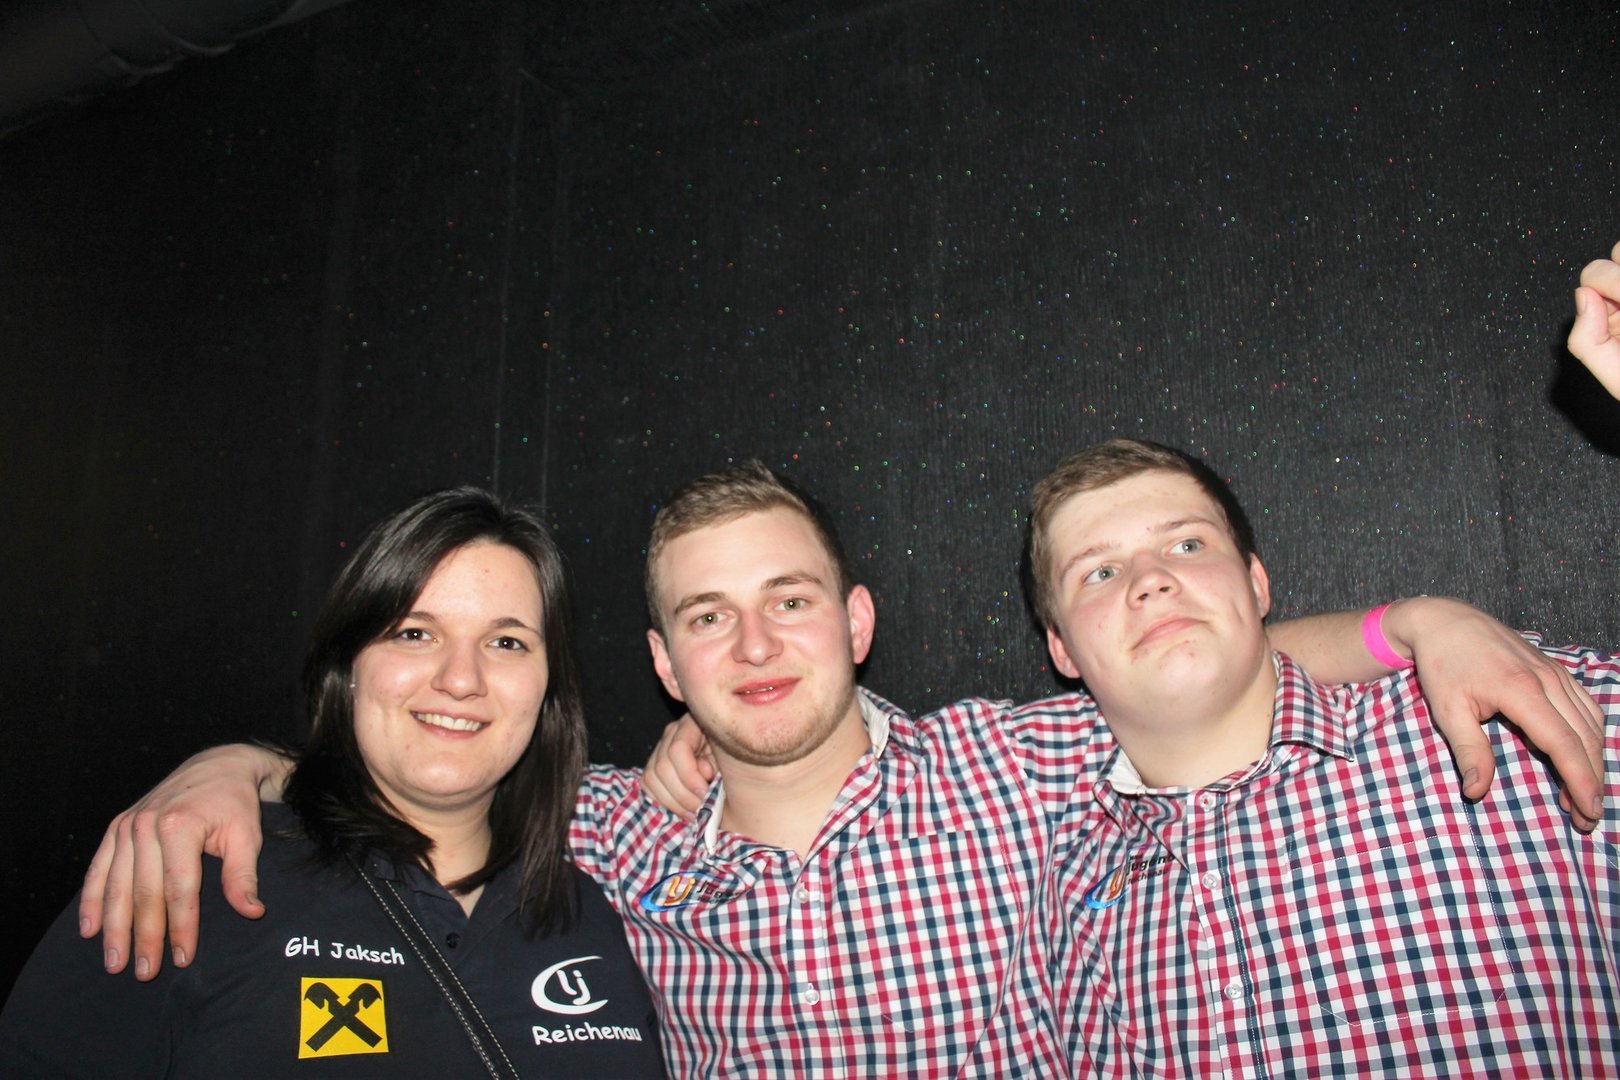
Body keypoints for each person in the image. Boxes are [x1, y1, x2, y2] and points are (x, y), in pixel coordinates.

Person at [72, 483, 1601, 1078]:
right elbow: (418, 756)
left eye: (790, 600)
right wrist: (233, 767)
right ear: (663, 664)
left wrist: (1417, 623)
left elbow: (1198, 666)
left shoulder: (1019, 764)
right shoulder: (602, 829)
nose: (755, 646)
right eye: (708, 617)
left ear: (856, 622)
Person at [0, 489, 663, 1077]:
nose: (461, 679)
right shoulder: (193, 873)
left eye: (507, 642)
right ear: (348, 670)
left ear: (549, 689)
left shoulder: (597, 910)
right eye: (414, 633)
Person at [1026, 435, 1618, 1074]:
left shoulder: (1507, 717)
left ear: (1257, 585)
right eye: (1100, 572)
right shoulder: (1044, 878)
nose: (1151, 580)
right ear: (1061, 649)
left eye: (1187, 545)